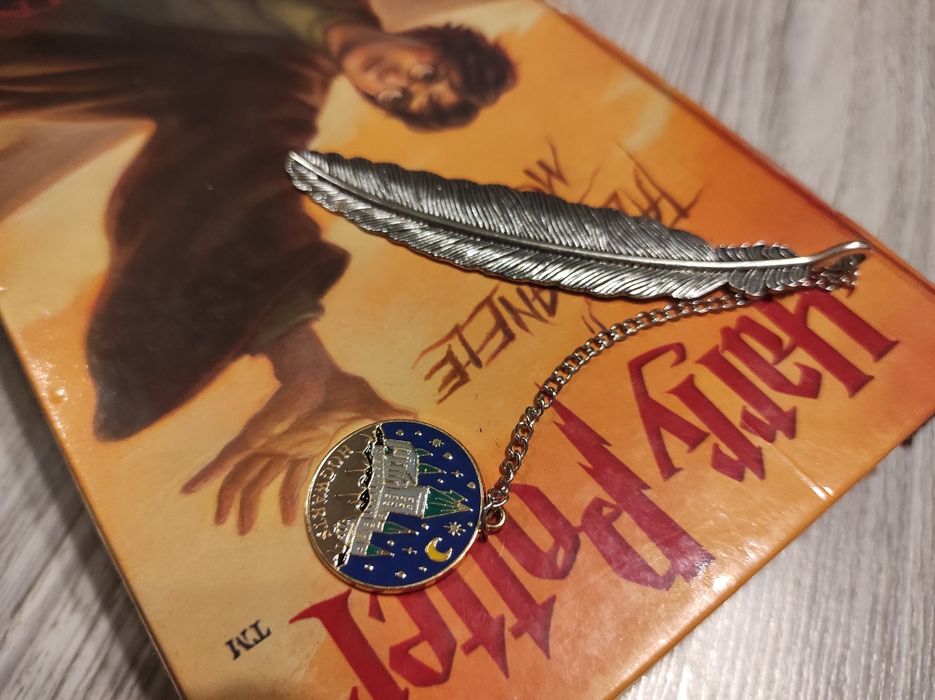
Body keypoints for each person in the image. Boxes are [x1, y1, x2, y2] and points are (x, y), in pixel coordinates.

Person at [0, 0, 516, 533]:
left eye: (399, 99)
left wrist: (301, 357)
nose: (394, 81)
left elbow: (239, 179)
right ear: (430, 39)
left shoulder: (278, 82)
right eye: (427, 73)